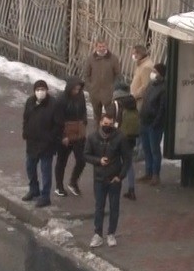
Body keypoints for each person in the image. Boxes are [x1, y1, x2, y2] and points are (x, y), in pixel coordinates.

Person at [85, 109, 131, 248]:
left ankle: (111, 233)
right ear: (100, 123)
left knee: (114, 207)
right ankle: (98, 234)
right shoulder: (93, 137)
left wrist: (120, 176)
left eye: (110, 124)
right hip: (99, 178)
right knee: (99, 206)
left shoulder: (120, 138)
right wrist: (99, 161)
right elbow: (86, 155)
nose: (107, 126)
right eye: (105, 124)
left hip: (114, 178)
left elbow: (127, 159)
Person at [21, 79, 62, 208]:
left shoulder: (53, 104)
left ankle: (45, 196)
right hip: (32, 142)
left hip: (47, 144)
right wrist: (25, 132)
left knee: (45, 171)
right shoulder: (30, 101)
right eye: (38, 90)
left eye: (43, 89)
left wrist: (50, 138)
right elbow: (26, 118)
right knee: (30, 167)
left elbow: (58, 125)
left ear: (47, 90)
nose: (40, 92)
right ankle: (34, 190)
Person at [54, 78, 89, 198]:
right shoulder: (61, 100)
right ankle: (59, 186)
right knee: (62, 160)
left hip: (79, 133)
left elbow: (84, 111)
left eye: (78, 89)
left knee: (82, 159)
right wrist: (63, 136)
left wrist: (84, 122)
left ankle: (73, 182)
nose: (76, 91)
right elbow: (58, 120)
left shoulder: (80, 96)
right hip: (66, 133)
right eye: (74, 89)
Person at [138, 63, 167, 186]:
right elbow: (145, 101)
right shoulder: (151, 85)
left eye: (155, 71)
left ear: (161, 74)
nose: (153, 73)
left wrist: (156, 122)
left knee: (154, 150)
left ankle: (155, 175)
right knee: (147, 149)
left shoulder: (163, 88)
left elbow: (162, 109)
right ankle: (148, 173)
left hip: (154, 125)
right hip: (144, 121)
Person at [83, 40, 121, 124]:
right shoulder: (91, 59)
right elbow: (86, 74)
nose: (102, 48)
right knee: (96, 116)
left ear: (107, 46)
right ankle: (97, 130)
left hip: (109, 93)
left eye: (103, 46)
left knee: (110, 115)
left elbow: (118, 75)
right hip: (95, 92)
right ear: (96, 47)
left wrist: (113, 88)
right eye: (99, 46)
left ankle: (108, 130)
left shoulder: (113, 59)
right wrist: (90, 87)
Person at [113, 86, 140, 201]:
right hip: (132, 138)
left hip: (121, 137)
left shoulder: (119, 104)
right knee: (128, 164)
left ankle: (114, 186)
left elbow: (116, 122)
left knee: (114, 161)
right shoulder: (132, 102)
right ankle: (131, 189)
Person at [128, 44, 153, 109]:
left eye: (134, 53)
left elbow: (145, 85)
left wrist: (135, 95)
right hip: (136, 99)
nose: (132, 55)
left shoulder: (146, 67)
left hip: (140, 100)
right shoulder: (140, 64)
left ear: (139, 54)